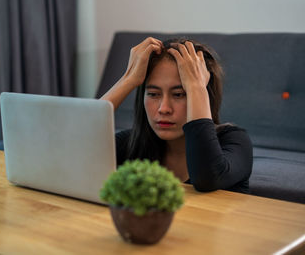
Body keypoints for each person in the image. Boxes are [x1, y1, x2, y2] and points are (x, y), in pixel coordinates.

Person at [100, 37, 253, 193]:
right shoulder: (132, 144)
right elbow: (76, 148)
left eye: (179, 94)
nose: (164, 108)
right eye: (153, 94)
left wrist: (195, 86)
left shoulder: (234, 141)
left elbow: (206, 179)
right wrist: (129, 78)